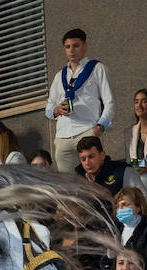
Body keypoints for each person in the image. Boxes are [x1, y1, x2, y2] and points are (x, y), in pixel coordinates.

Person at [45, 28, 115, 173]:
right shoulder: (60, 76)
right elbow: (48, 108)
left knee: (93, 178)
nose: (71, 50)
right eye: (67, 47)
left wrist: (100, 126)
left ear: (85, 46)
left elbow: (109, 101)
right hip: (63, 135)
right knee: (68, 184)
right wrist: (57, 110)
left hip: (86, 129)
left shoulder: (97, 68)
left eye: (76, 46)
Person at [113, 187, 147, 269]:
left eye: (125, 204)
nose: (120, 209)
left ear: (138, 208)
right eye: (117, 206)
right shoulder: (117, 228)